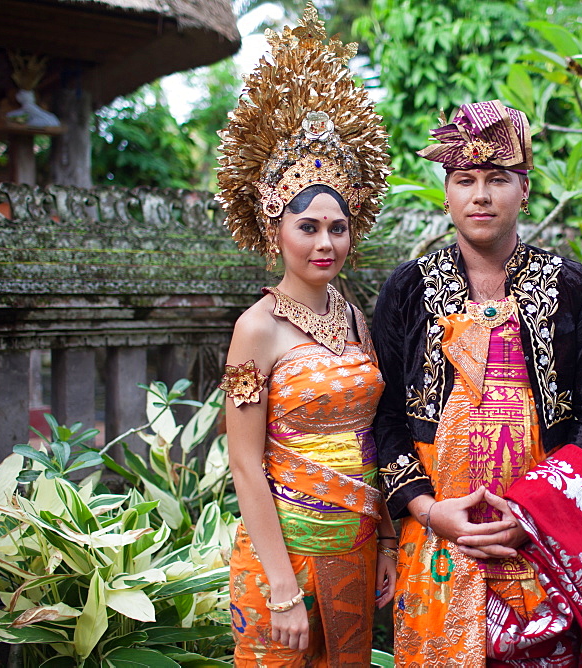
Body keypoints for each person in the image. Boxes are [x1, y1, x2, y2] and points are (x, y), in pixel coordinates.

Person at [372, 100, 582, 666]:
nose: (480, 195)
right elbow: (382, 418)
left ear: (524, 190)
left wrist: (530, 511)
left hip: (538, 534)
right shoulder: (407, 289)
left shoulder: (570, 287)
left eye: (497, 178)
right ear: (448, 193)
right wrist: (428, 510)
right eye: (465, 179)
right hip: (435, 535)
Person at [215, 6, 396, 665]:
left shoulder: (352, 315)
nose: (326, 242)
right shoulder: (253, 331)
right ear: (275, 230)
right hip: (279, 565)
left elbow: (372, 436)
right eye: (308, 226)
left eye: (338, 227)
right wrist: (285, 590)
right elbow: (244, 462)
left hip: (353, 552)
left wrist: (385, 548)